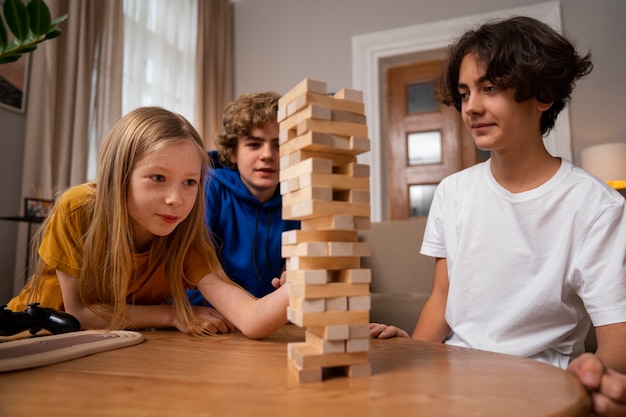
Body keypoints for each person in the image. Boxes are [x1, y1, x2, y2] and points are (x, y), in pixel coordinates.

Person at [369, 16, 626, 416]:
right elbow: (443, 298)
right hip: (451, 376)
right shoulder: (453, 193)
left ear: (542, 94)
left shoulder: (597, 206)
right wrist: (413, 355)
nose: (471, 106)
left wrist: (596, 375)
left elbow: (616, 332)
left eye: (489, 88)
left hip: (541, 386)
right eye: (465, 92)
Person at [6, 107, 288, 339]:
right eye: (158, 178)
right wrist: (173, 314)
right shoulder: (78, 209)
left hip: (104, 348)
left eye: (189, 182)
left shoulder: (183, 236)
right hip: (26, 338)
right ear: (120, 174)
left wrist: (305, 282)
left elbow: (251, 318)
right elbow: (77, 313)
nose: (175, 199)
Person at [187, 92, 299, 306]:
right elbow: (192, 268)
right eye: (254, 144)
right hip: (207, 315)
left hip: (268, 318)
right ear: (232, 153)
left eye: (278, 145)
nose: (267, 155)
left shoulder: (297, 197)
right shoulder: (208, 187)